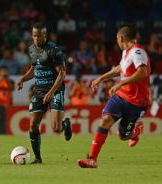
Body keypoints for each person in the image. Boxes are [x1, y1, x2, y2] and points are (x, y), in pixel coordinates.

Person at [78, 25, 151, 168]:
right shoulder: (126, 53)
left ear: (121, 38)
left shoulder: (137, 52)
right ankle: (92, 159)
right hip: (120, 97)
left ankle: (135, 131)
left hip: (137, 102)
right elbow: (120, 69)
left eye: (117, 39)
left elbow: (142, 72)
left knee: (123, 135)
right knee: (105, 121)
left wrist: (120, 83)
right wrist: (101, 78)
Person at [17, 23, 72, 164]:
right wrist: (23, 78)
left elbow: (62, 73)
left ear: (45, 35)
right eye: (34, 35)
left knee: (56, 128)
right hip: (40, 91)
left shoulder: (54, 50)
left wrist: (51, 92)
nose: (36, 38)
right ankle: (37, 158)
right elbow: (34, 69)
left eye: (39, 36)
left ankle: (65, 124)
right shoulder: (31, 49)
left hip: (55, 90)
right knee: (33, 125)